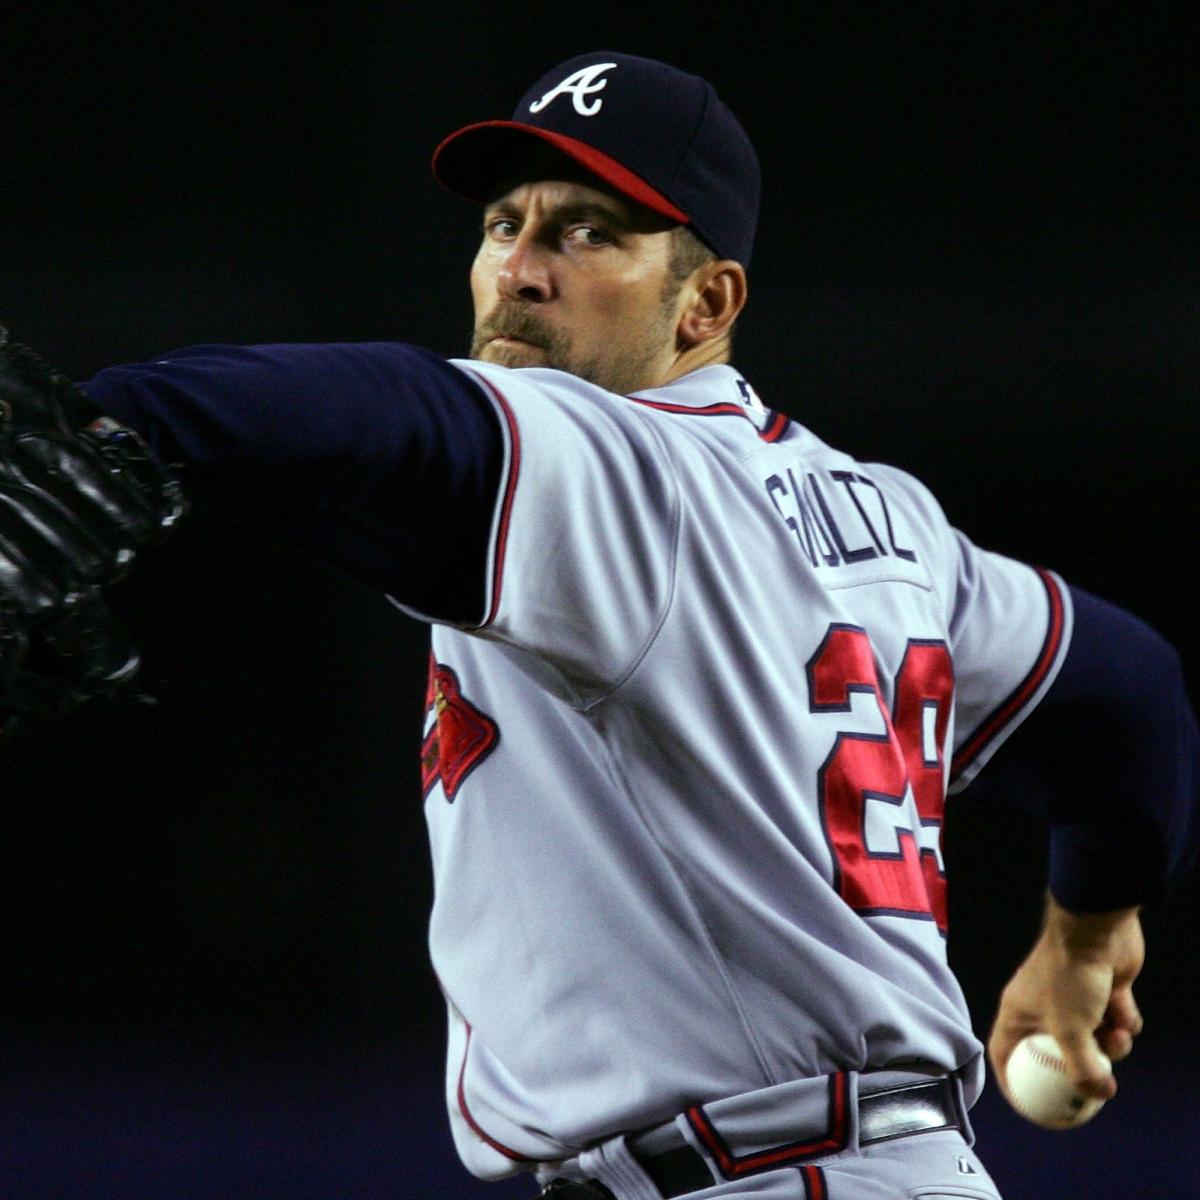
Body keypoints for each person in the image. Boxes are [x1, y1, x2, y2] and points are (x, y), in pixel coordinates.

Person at [3, 50, 1196, 1200]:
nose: (521, 269)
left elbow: (392, 410)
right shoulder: (893, 528)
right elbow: (1131, 693)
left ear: (706, 301)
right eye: (502, 225)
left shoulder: (621, 464)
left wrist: (123, 423)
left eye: (588, 232)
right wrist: (1086, 938)